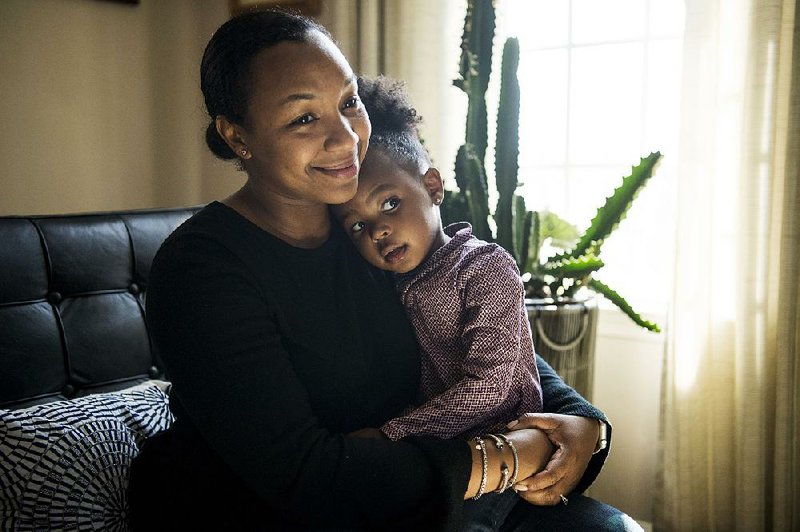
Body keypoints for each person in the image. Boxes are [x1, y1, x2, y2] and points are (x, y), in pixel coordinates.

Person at [128, 9, 636, 531]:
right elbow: (307, 477)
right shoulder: (201, 272)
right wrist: (506, 458)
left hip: (425, 489)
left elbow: (485, 338)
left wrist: (583, 424)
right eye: (304, 118)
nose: (346, 136)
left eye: (349, 102)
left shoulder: (364, 226)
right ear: (237, 137)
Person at [332, 75, 543, 529]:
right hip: (441, 448)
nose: (377, 231)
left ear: (431, 186)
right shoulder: (394, 282)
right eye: (357, 226)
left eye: (388, 204)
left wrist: (392, 433)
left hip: (504, 449)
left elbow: (491, 387)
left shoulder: (484, 269)